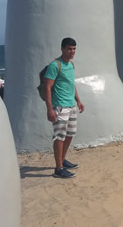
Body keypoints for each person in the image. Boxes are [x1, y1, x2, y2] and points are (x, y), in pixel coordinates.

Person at [43, 37, 83, 179]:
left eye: (74, 49)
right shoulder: (55, 65)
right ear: (62, 49)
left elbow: (71, 84)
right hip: (59, 107)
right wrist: (49, 109)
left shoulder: (71, 64)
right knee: (59, 137)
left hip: (71, 105)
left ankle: (62, 159)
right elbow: (48, 87)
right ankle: (58, 168)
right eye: (69, 49)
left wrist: (78, 100)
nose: (72, 51)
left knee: (70, 134)